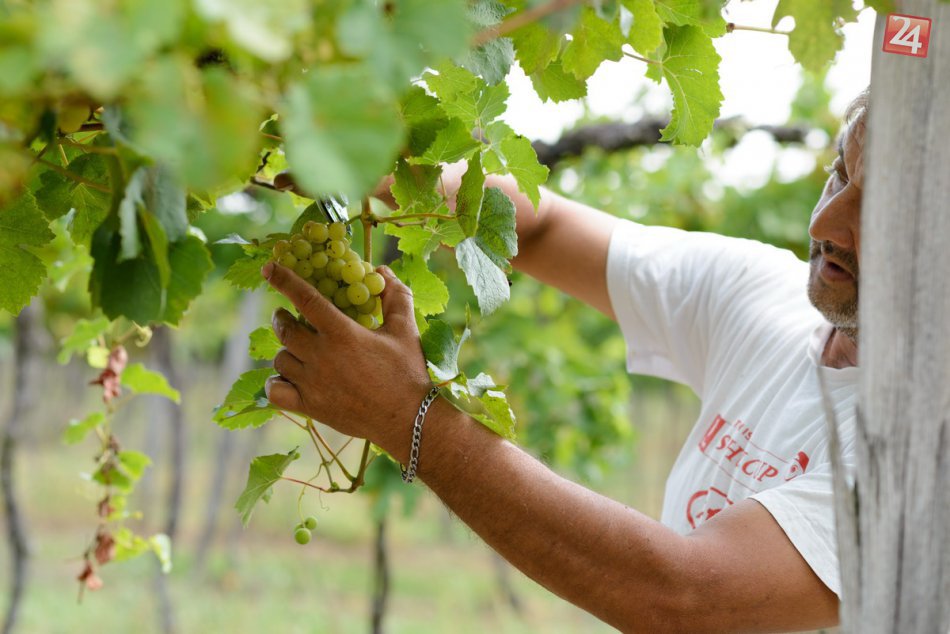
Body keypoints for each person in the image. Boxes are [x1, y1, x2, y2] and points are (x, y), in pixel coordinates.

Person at [260, 91, 867, 632]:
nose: (825, 222)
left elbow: (685, 601)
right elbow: (542, 227)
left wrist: (407, 416)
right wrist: (382, 165)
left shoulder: (918, 451)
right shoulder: (763, 296)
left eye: (877, 208)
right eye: (839, 176)